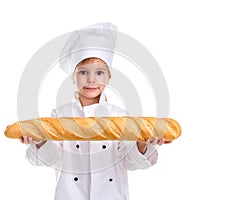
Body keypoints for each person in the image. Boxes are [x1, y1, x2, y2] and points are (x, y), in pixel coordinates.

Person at [20, 22, 165, 200]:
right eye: (83, 72)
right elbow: (51, 158)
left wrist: (143, 145)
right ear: (73, 77)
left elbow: (130, 162)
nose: (91, 80)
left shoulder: (119, 116)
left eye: (99, 73)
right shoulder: (60, 115)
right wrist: (40, 141)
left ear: (108, 77)